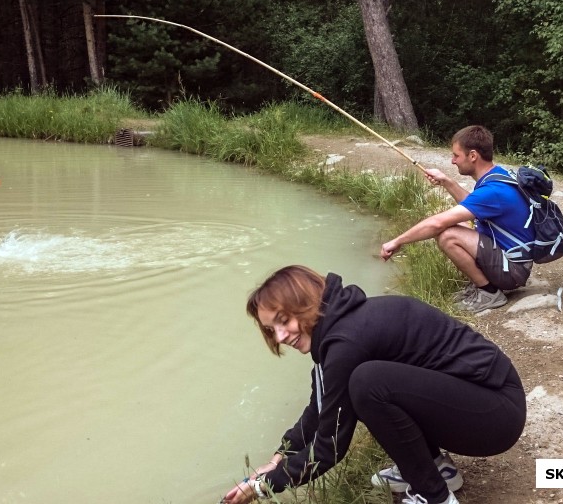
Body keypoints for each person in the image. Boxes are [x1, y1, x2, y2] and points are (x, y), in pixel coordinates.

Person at [220, 265, 526, 504]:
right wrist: (280, 457)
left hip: (496, 415)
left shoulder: (345, 343)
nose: (281, 337)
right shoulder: (341, 329)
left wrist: (263, 486)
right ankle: (437, 470)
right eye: (271, 330)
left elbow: (329, 448)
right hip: (483, 405)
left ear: (306, 302)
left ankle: (434, 495)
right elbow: (320, 406)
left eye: (283, 320)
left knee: (367, 384)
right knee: (362, 384)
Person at [380, 125, 534, 312]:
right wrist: (447, 181)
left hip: (513, 271)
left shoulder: (492, 191)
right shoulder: (497, 175)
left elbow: (437, 223)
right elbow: (473, 204)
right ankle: (483, 283)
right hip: (511, 259)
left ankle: (489, 293)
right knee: (457, 222)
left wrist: (397, 241)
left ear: (473, 156)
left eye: (456, 155)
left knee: (448, 235)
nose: (453, 161)